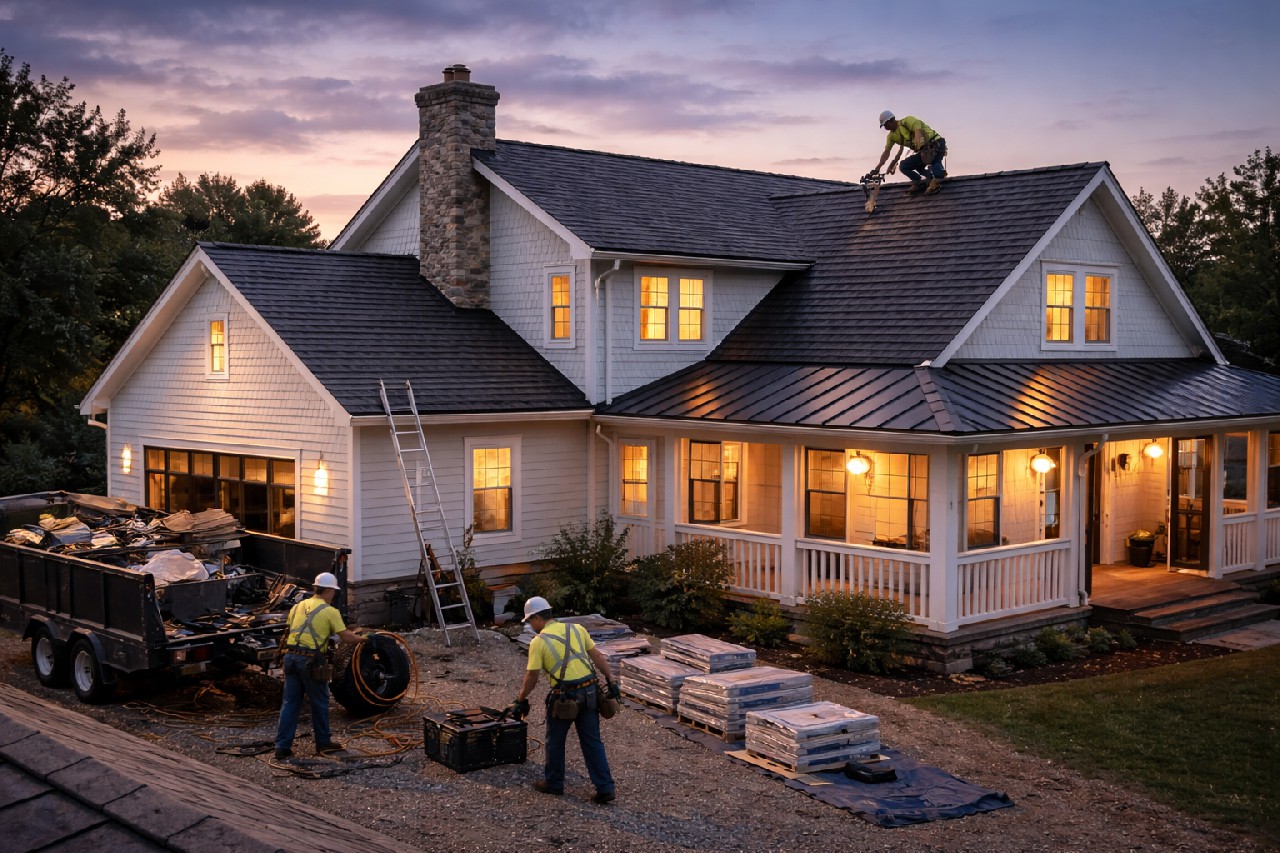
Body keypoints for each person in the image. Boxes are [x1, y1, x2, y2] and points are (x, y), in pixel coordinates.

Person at [506, 596, 619, 804]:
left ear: (537, 617)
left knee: (555, 741)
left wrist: (520, 699)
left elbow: (531, 677)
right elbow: (598, 657)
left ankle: (554, 783)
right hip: (591, 692)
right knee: (592, 742)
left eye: (530, 621)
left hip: (565, 698)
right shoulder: (576, 629)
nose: (531, 626)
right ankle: (605, 787)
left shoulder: (539, 642)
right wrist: (611, 680)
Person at [274, 571, 362, 760]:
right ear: (328, 590)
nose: (334, 595)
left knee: (290, 702)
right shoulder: (330, 611)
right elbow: (346, 637)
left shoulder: (298, 606)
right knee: (320, 702)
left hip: (290, 657)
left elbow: (291, 629)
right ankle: (323, 743)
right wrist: (365, 639)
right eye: (334, 591)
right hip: (311, 661)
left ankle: (282, 747)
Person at [873, 110, 947, 195]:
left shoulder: (907, 121)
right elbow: (886, 152)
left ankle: (937, 180)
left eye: (886, 124)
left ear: (892, 120)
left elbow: (918, 131)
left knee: (934, 163)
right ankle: (919, 182)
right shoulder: (891, 136)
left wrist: (922, 146)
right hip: (923, 152)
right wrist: (878, 167)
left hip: (936, 143)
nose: (885, 127)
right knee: (904, 166)